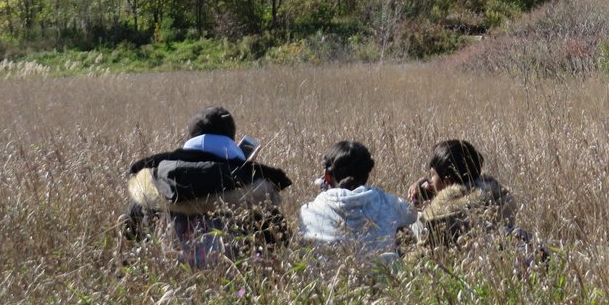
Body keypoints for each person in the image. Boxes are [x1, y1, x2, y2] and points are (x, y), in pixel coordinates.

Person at [123, 105, 291, 268]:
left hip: (165, 286)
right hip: (237, 290)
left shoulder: (152, 182)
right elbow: (279, 242)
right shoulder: (253, 189)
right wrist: (243, 173)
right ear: (231, 139)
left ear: (189, 137)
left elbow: (129, 238)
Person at [297, 140, 415, 266]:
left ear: (327, 177)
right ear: (367, 175)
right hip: (384, 281)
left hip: (327, 282)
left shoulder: (308, 211)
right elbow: (414, 215)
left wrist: (324, 196)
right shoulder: (391, 202)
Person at [406, 139, 519, 254]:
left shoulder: (440, 218)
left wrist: (414, 206)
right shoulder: (499, 198)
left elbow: (418, 257)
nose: (430, 180)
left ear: (448, 182)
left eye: (432, 175)